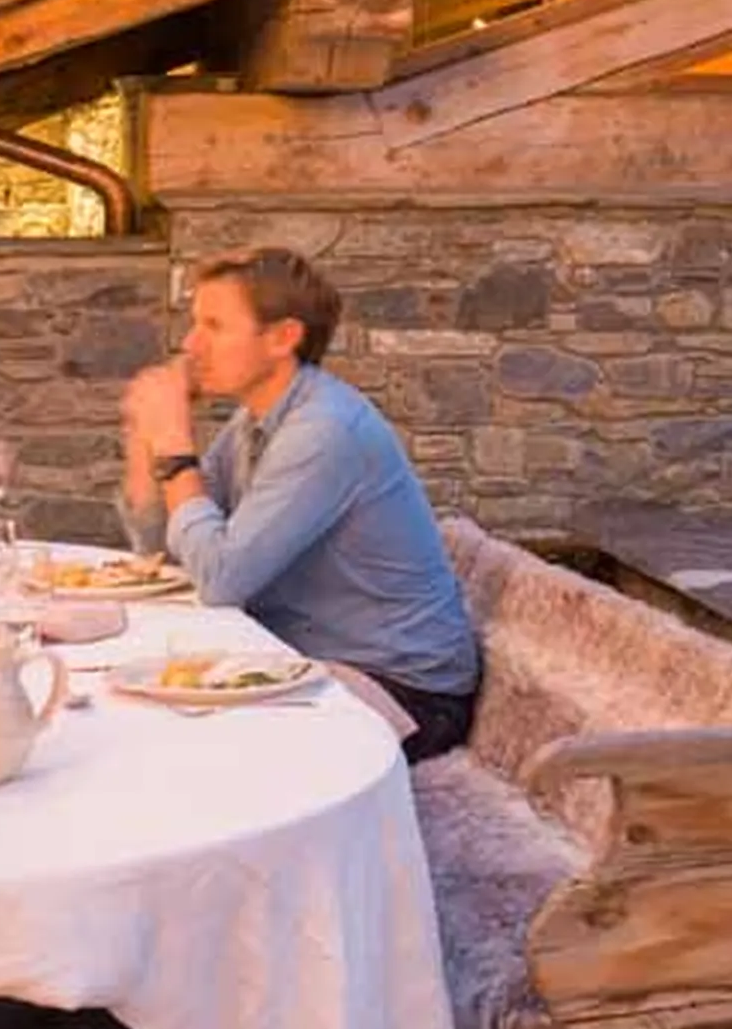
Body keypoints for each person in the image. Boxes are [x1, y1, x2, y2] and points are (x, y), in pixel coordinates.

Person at [119, 247, 482, 762]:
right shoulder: (254, 421)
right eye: (195, 323)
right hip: (305, 661)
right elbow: (164, 547)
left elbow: (220, 579)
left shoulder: (324, 431)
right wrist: (148, 438)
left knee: (189, 746)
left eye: (214, 326)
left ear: (282, 338)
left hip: (403, 691)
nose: (190, 344)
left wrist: (176, 449)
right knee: (135, 706)